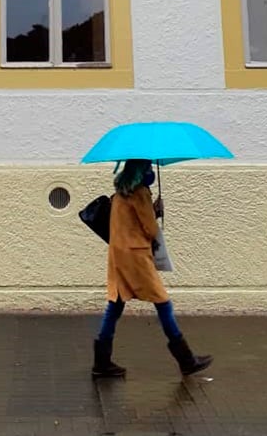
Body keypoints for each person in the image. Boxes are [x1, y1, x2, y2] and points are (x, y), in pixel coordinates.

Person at [92, 159, 213, 378]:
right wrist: (156, 212)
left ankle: (101, 361)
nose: (150, 172)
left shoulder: (120, 193)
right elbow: (149, 229)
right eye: (147, 168)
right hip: (136, 257)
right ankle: (186, 359)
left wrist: (151, 210)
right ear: (141, 171)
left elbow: (129, 223)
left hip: (119, 256)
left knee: (115, 305)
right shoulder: (140, 193)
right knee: (163, 303)